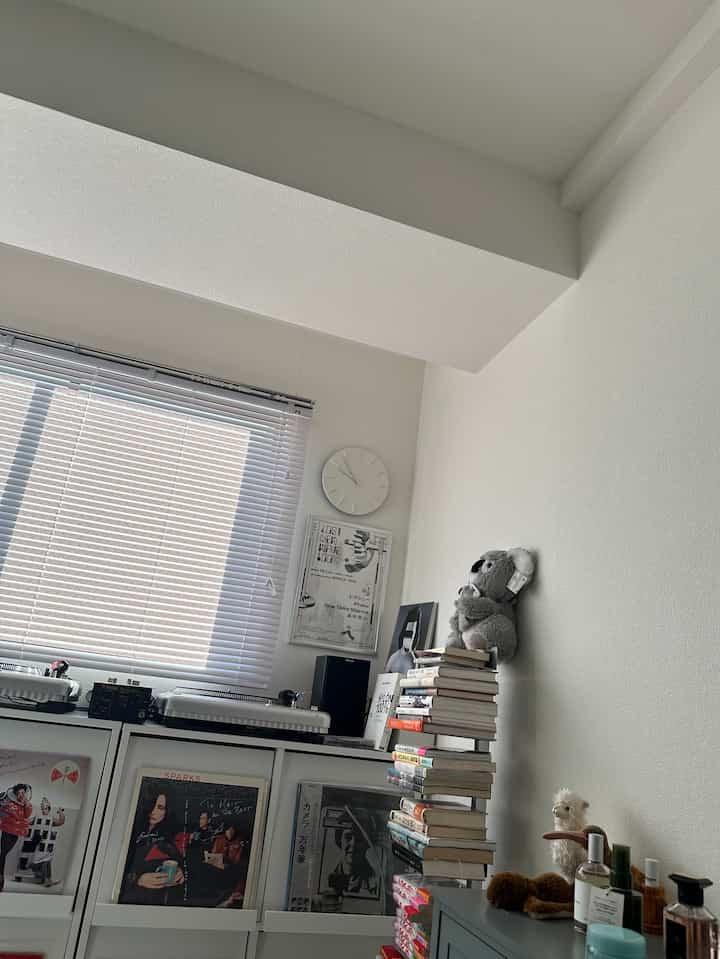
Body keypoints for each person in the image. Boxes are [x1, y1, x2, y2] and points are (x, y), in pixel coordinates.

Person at [120, 790, 185, 905]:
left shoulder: (166, 835)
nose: (153, 812)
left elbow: (178, 859)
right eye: (151, 805)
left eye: (160, 807)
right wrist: (137, 880)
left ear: (166, 811)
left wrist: (180, 872)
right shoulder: (128, 828)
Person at [25, 797, 65, 887]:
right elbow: (28, 822)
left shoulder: (51, 818)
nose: (44, 810)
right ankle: (40, 875)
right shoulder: (37, 817)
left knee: (47, 861)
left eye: (46, 808)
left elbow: (61, 821)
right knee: (37, 860)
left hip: (47, 845)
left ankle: (47, 879)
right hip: (37, 844)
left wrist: (61, 812)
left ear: (49, 809)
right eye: (42, 808)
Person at [0, 783, 33, 893]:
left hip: (16, 833)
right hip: (7, 831)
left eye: (23, 792)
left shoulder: (26, 805)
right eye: (19, 793)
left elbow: (27, 815)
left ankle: (1, 879)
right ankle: (1, 880)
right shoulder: (9, 803)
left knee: (3, 854)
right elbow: (5, 812)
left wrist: (26, 803)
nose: (21, 794)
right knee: (3, 854)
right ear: (15, 794)